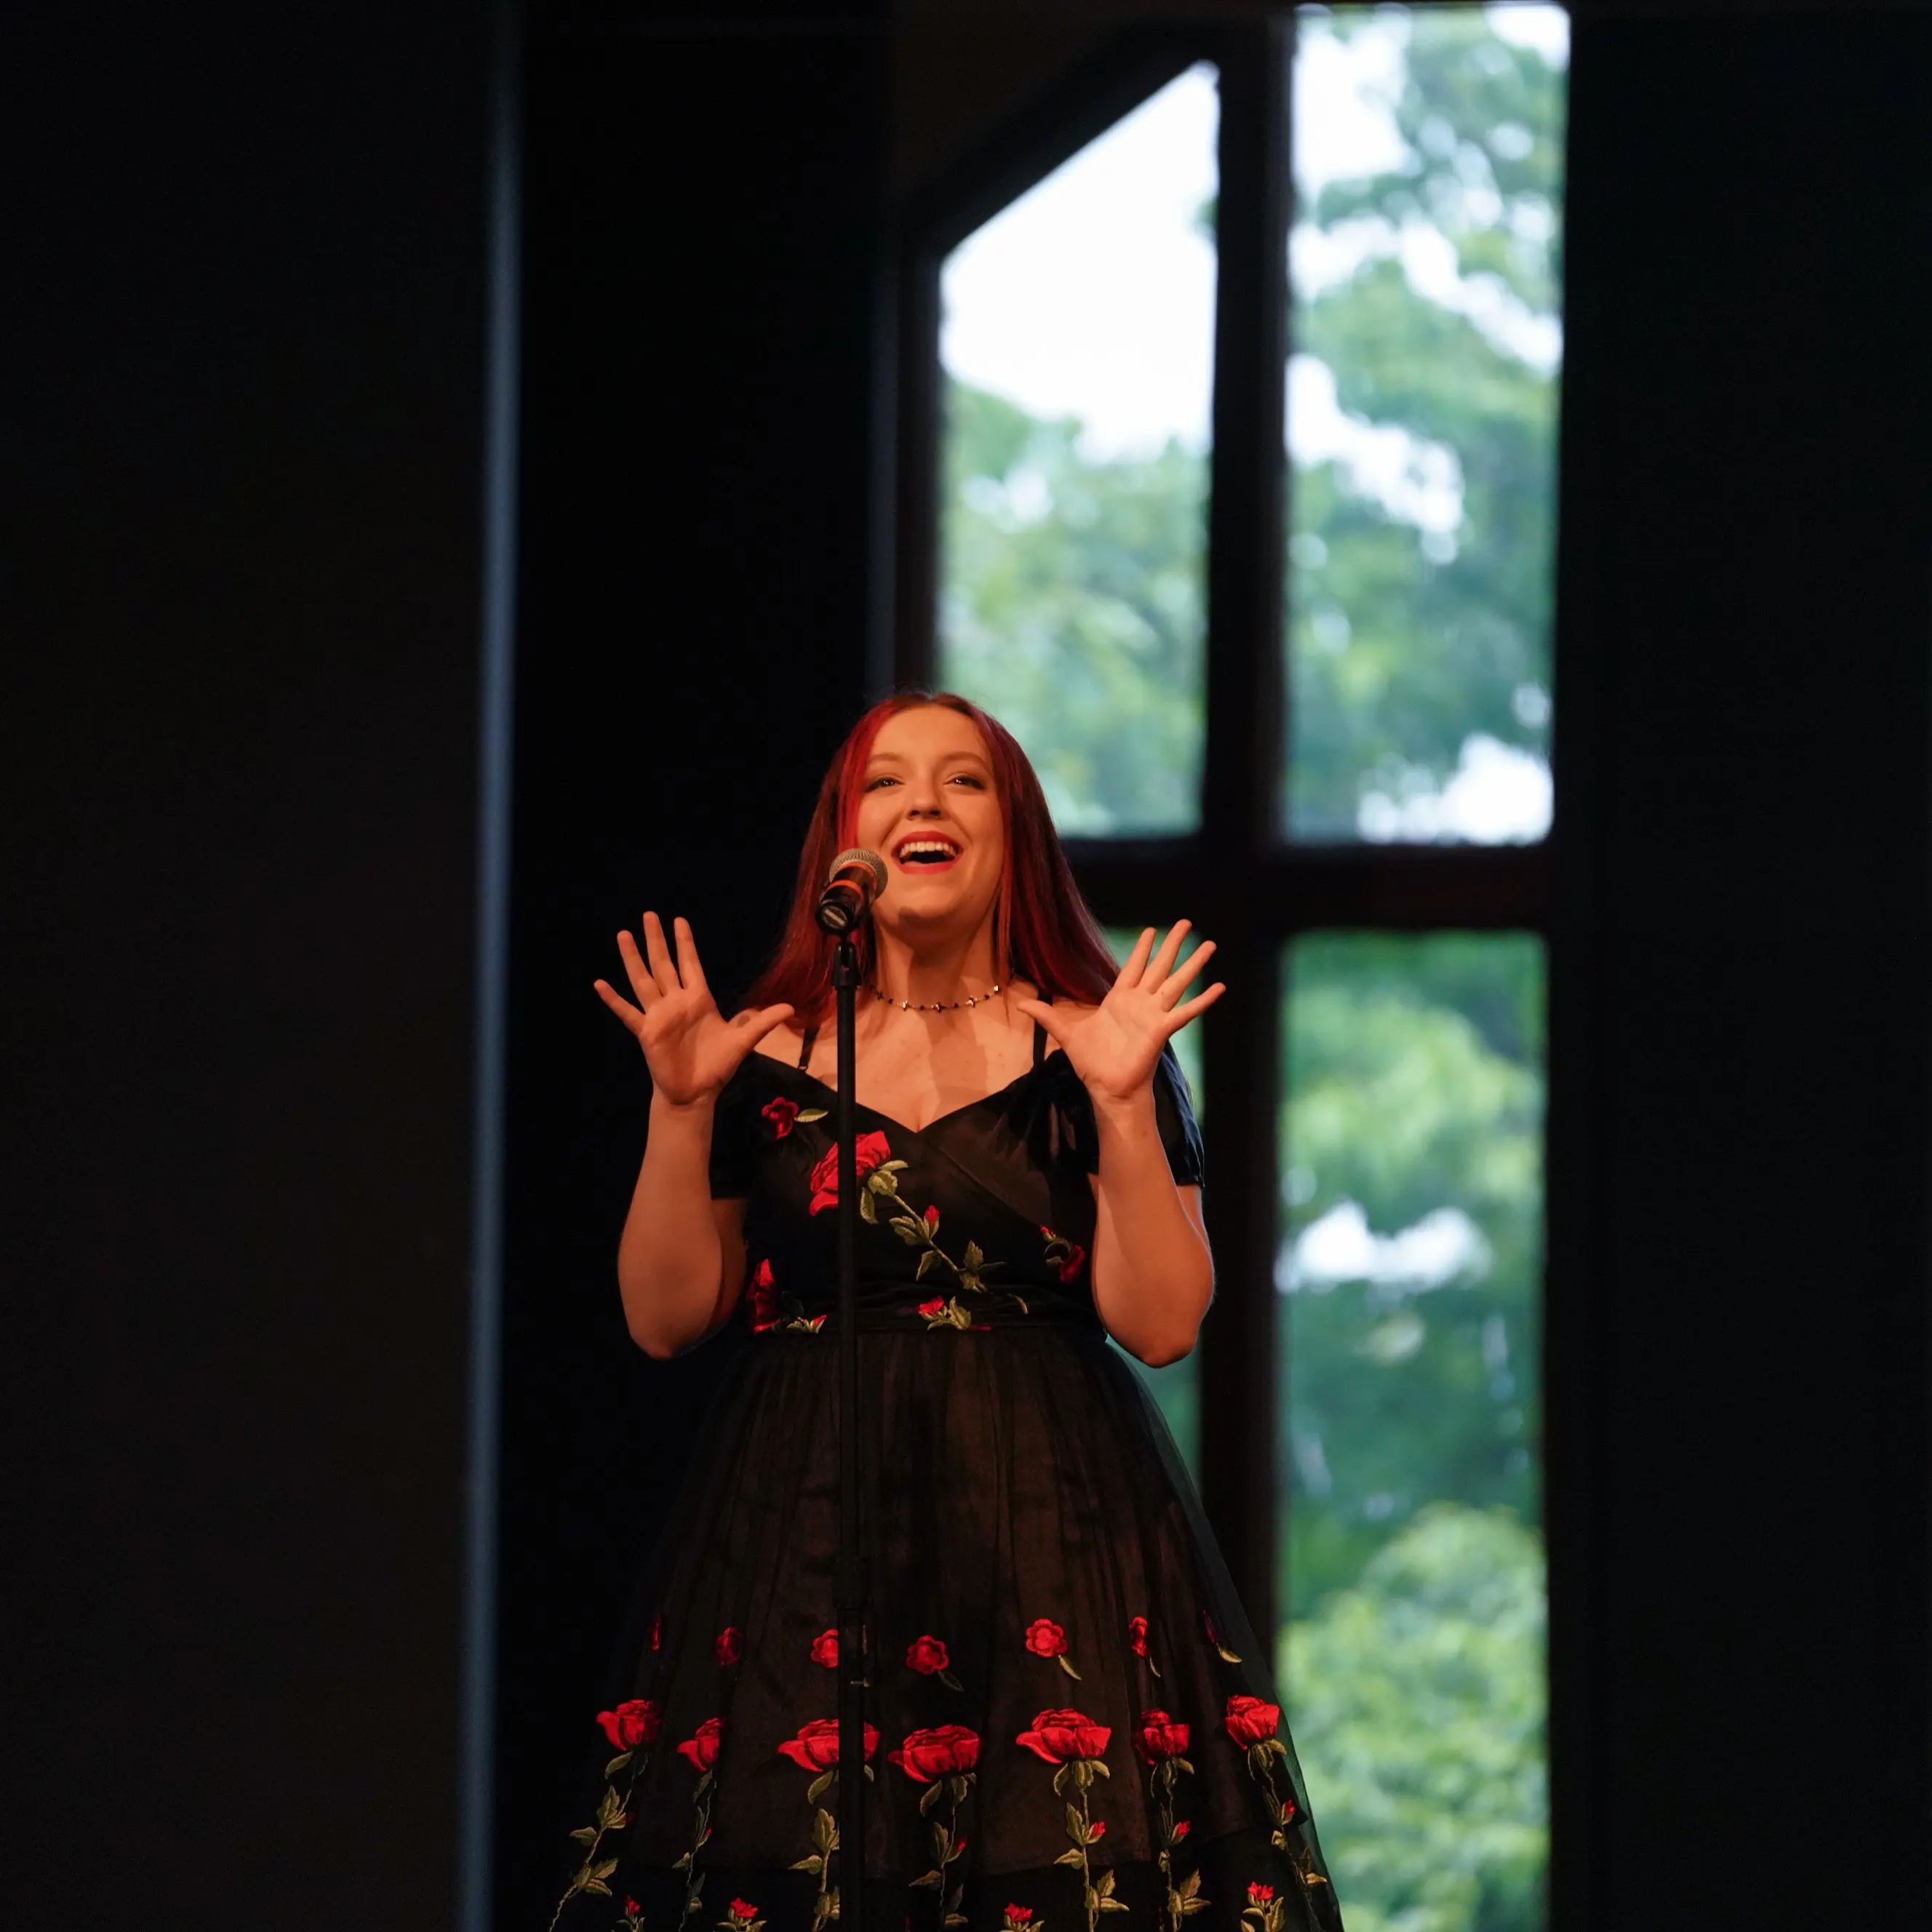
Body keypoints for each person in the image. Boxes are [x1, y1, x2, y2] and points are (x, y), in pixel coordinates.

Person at [546, 693, 1344, 1932]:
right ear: (841, 844)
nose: (922, 803)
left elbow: (1165, 1319)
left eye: (962, 783)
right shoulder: (755, 1054)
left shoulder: (1097, 1047)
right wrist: (679, 1108)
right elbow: (663, 1317)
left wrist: (1125, 1106)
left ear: (1011, 832)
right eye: (886, 784)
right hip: (810, 1529)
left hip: (1048, 1530)